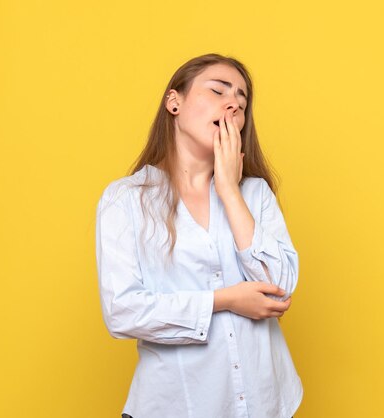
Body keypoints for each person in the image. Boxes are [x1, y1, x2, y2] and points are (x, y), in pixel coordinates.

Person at [95, 53, 302, 418]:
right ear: (174, 101)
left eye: (240, 102)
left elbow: (278, 286)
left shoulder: (254, 195)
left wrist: (229, 190)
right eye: (219, 91)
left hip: (263, 405)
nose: (232, 105)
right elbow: (123, 311)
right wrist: (223, 301)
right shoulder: (127, 199)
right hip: (174, 406)